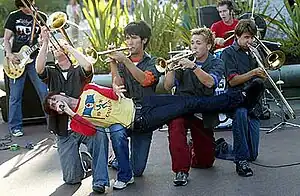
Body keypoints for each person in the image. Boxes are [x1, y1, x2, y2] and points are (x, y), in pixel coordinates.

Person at [43, 79, 264, 139]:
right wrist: (72, 113)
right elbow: (92, 131)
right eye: (54, 107)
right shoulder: (75, 121)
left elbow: (111, 93)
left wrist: (116, 90)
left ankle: (237, 102)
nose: (57, 104)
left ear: (60, 94)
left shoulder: (88, 89)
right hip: (139, 121)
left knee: (188, 104)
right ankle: (241, 98)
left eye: (54, 100)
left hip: (141, 103)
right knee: (188, 104)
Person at [35, 27, 108, 194]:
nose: (56, 48)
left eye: (58, 46)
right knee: (72, 179)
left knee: (101, 134)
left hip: (85, 125)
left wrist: (68, 47)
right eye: (55, 48)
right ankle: (85, 162)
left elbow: (88, 65)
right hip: (64, 131)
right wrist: (45, 43)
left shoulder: (78, 72)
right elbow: (38, 69)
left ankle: (100, 180)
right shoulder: (52, 72)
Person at [163, 27, 223, 186]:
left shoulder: (216, 62)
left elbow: (210, 82)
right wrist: (169, 69)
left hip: (203, 109)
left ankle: (190, 148)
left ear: (208, 46)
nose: (194, 47)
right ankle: (180, 171)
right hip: (182, 106)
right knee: (175, 126)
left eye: (198, 43)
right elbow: (168, 86)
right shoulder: (184, 62)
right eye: (192, 43)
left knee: (205, 162)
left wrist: (194, 67)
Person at [107, 20, 161, 189]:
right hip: (125, 112)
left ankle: (120, 161)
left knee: (137, 170)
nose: (129, 42)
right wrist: (113, 64)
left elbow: (145, 80)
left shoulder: (154, 63)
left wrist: (125, 61)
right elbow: (119, 84)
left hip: (145, 116)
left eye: (134, 38)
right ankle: (124, 174)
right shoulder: (123, 62)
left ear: (144, 40)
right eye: (127, 38)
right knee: (116, 132)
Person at [221, 19, 266, 177]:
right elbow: (232, 81)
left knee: (253, 155)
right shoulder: (228, 53)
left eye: (252, 37)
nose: (250, 41)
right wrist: (254, 73)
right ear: (237, 36)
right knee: (240, 113)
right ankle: (240, 162)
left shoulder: (255, 51)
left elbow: (263, 78)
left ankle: (221, 148)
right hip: (236, 99)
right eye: (246, 37)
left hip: (253, 102)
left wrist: (262, 73)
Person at [3, 0, 48, 137]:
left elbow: (44, 39)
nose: (28, 9)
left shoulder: (41, 17)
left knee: (44, 92)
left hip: (35, 59)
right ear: (19, 6)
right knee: (15, 96)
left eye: (30, 5)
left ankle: (53, 124)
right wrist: (10, 54)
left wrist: (44, 40)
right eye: (24, 7)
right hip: (17, 61)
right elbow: (6, 39)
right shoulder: (14, 16)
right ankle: (15, 127)